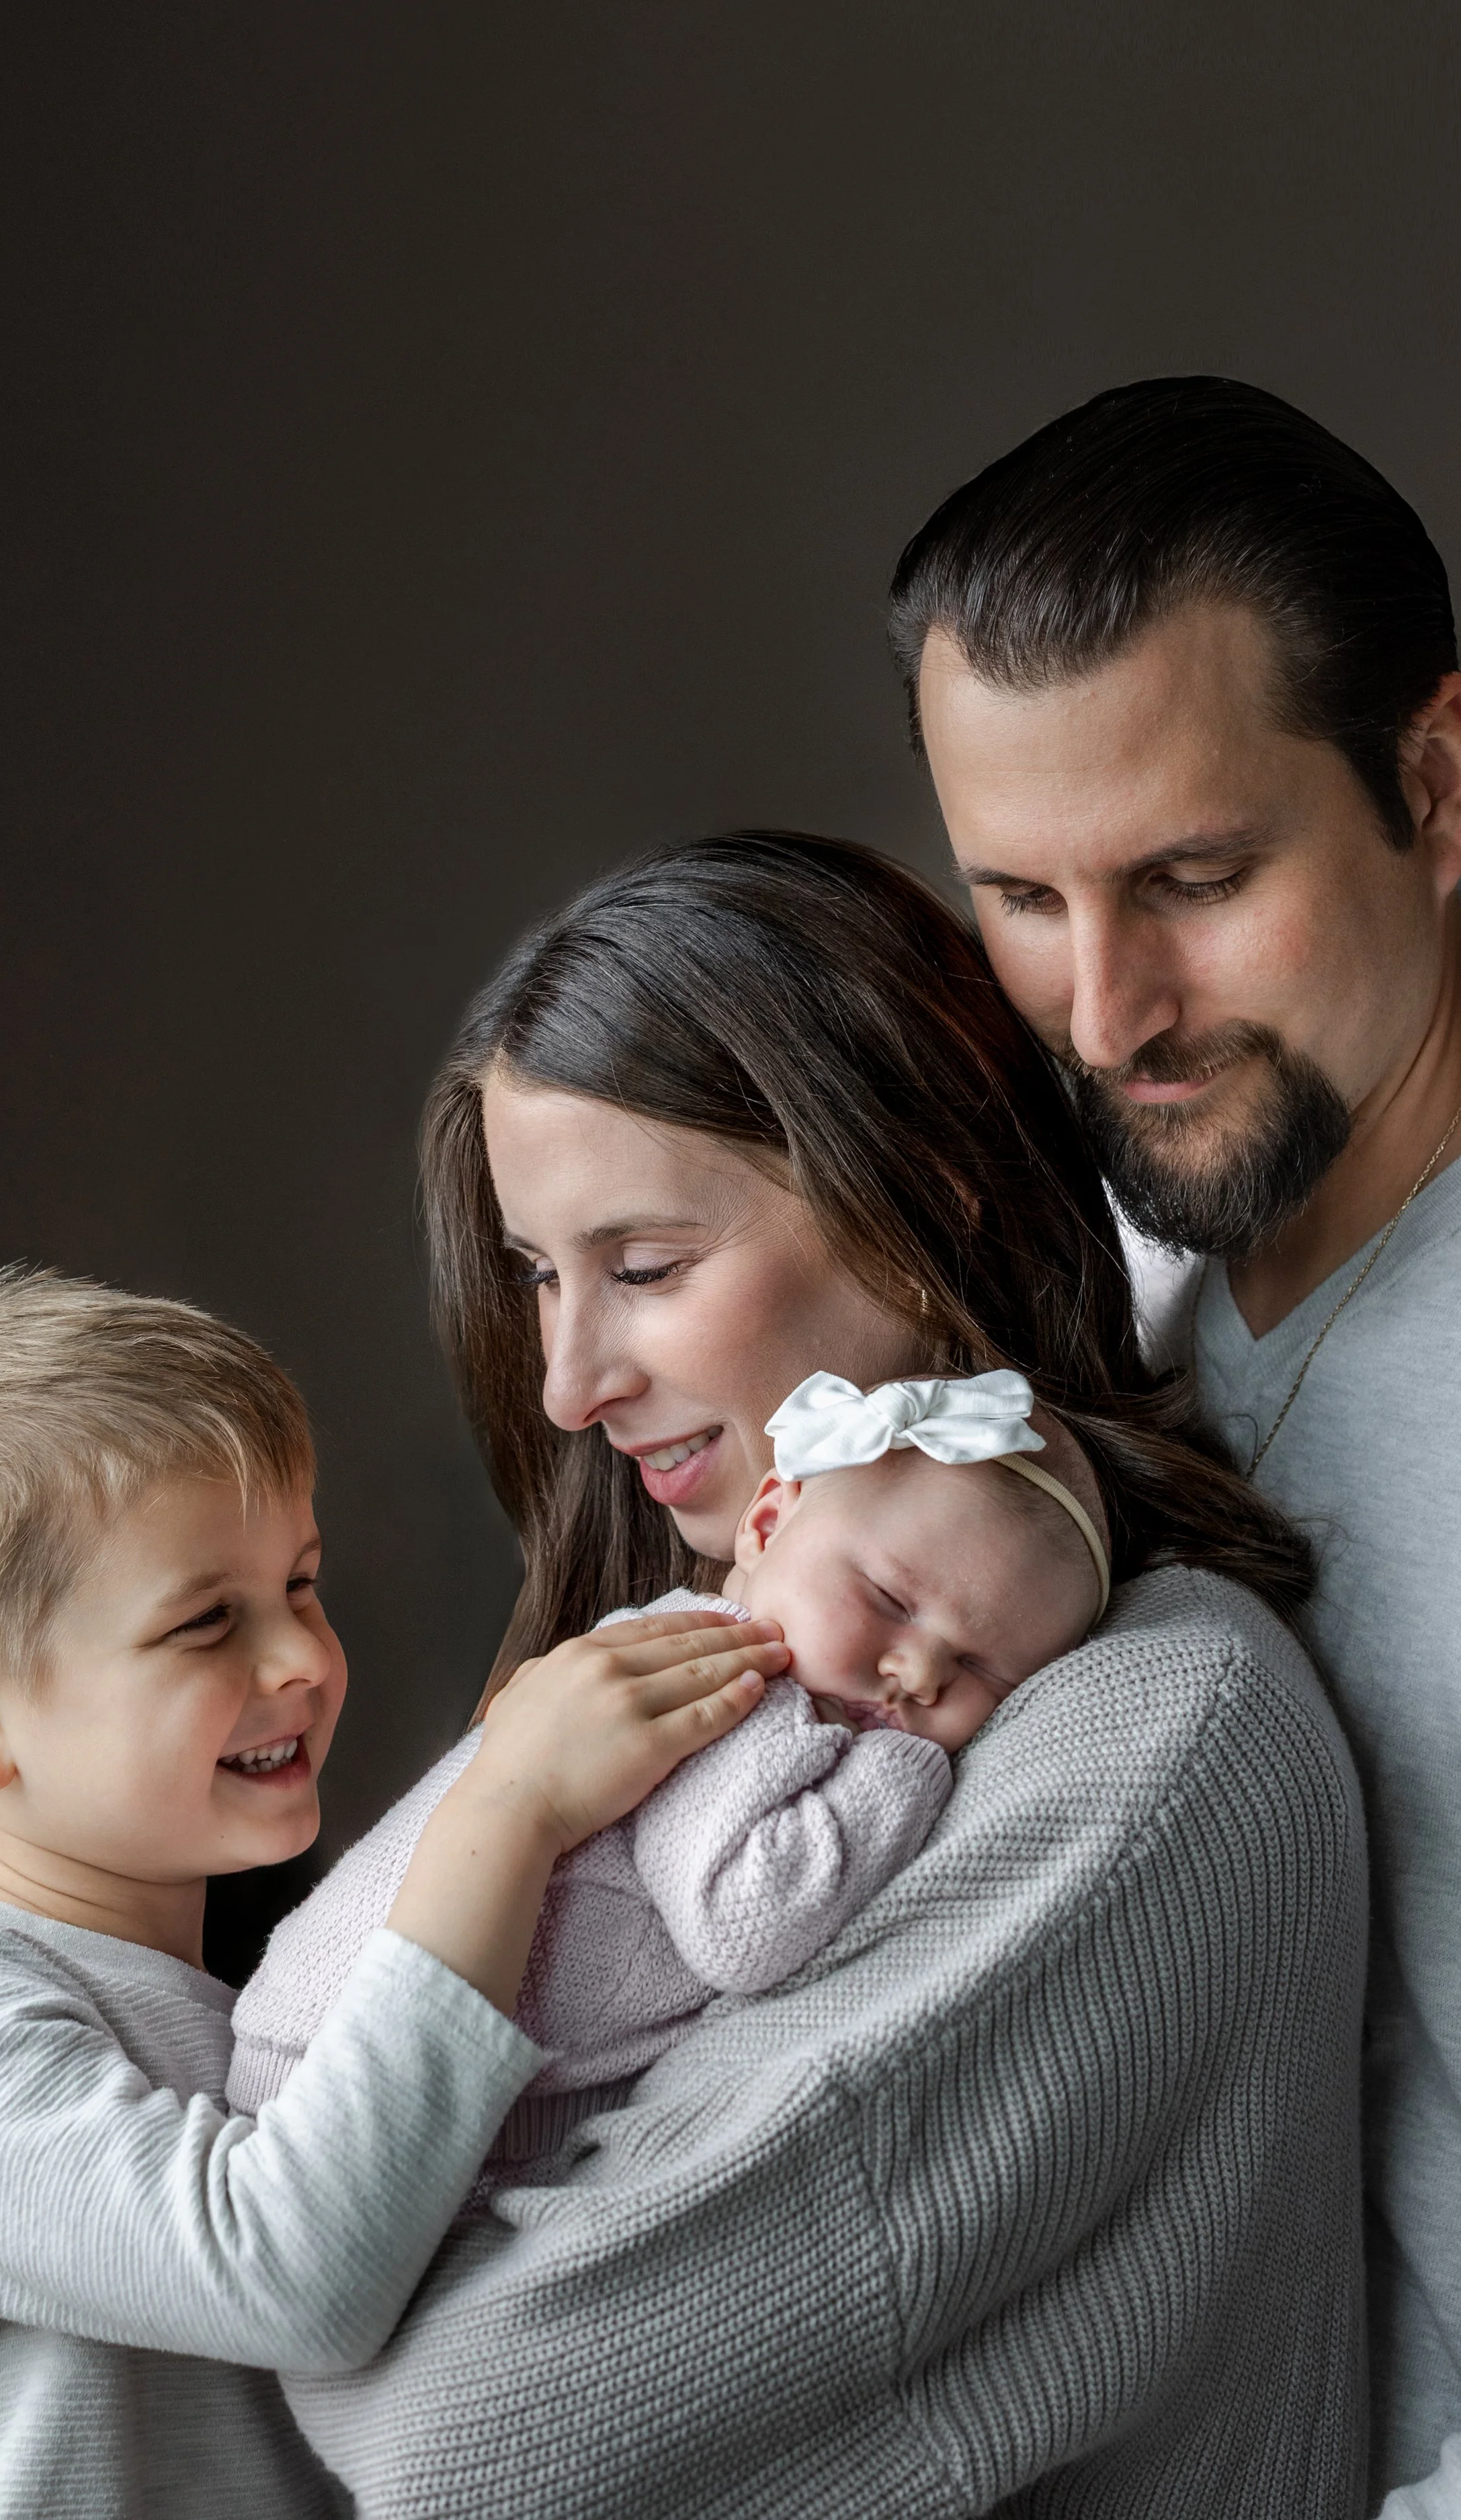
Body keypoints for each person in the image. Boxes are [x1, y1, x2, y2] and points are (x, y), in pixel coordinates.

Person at [241, 831, 1368, 2517]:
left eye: (644, 1269)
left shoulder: (1149, 1732)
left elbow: (463, 2433)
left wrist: (308, 2266)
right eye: (537, 1276)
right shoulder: (732, 1675)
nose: (563, 1383)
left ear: (921, 1218)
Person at [0, 1263, 782, 2520]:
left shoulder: (256, 2017)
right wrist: (510, 1807)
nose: (304, 1654)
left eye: (301, 1583)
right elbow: (296, 2273)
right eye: (207, 1622)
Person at [888, 375, 1461, 2512]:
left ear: (1435, 775)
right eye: (1020, 898)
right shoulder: (1092, 1264)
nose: (1107, 1013)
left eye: (1193, 878)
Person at [231, 1369, 1109, 2162]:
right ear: (766, 1524)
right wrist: (910, 1770)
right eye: (888, 1599)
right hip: (345, 2056)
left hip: (447, 2063)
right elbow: (749, 1919)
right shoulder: (728, 1683)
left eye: (981, 1669)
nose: (919, 1672)